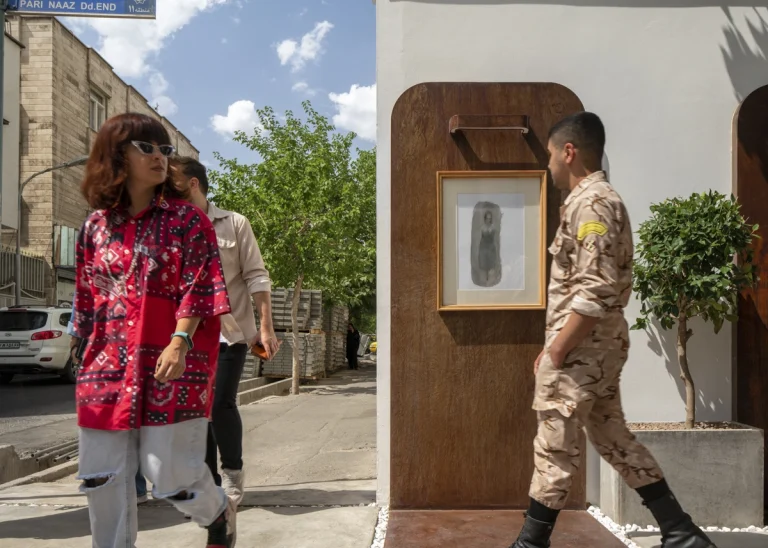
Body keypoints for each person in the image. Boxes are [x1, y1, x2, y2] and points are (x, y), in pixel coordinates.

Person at [510, 112, 716, 548]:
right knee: (613, 437)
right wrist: (552, 346)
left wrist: (559, 350)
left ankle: (530, 544)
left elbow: (596, 288)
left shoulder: (594, 203)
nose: (549, 166)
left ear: (570, 152)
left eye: (550, 156)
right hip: (593, 348)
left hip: (583, 350)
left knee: (554, 447)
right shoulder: (595, 200)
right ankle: (680, 532)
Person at [72, 113, 235, 548]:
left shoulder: (188, 221)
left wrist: (179, 342)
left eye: (165, 150)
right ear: (116, 156)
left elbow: (200, 287)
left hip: (172, 361)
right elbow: (86, 296)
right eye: (147, 148)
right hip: (105, 366)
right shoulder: (94, 227)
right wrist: (81, 349)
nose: (160, 157)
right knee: (101, 478)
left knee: (169, 475)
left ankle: (217, 511)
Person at [171, 156, 279, 539]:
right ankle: (208, 488)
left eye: (176, 181)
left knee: (219, 404)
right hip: (185, 336)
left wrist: (265, 328)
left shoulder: (234, 223)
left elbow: (256, 275)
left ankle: (232, 475)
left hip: (229, 332)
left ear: (194, 184)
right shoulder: (171, 225)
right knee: (195, 414)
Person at [67, 310, 150, 505]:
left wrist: (75, 342)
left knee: (121, 418)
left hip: (121, 349)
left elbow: (79, 309)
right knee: (109, 418)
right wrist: (75, 343)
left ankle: (132, 486)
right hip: (110, 350)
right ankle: (129, 486)